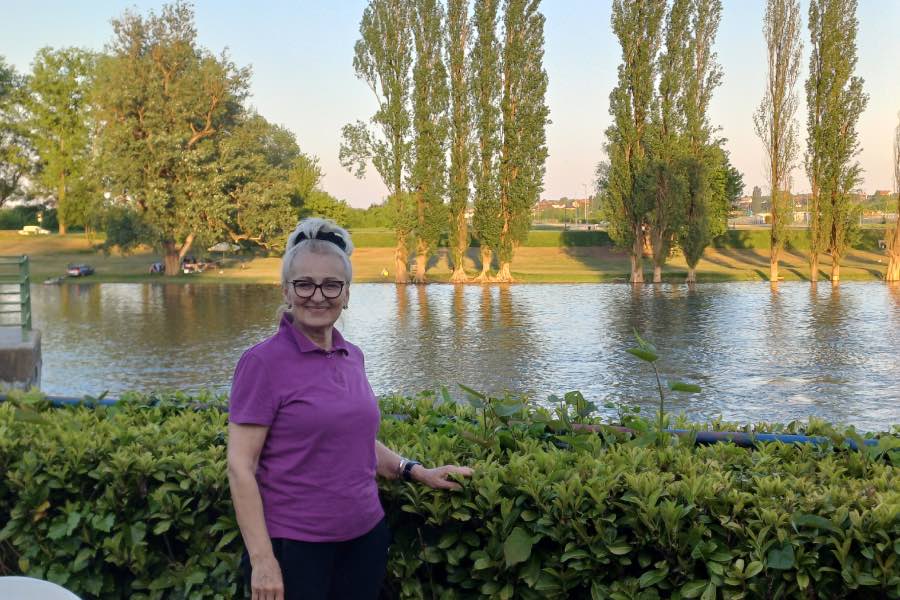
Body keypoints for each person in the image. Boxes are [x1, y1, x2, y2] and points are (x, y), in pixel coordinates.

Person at [227, 217, 473, 600]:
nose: (318, 296)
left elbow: (353, 440)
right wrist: (262, 560)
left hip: (365, 539)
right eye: (304, 284)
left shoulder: (351, 356)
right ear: (286, 290)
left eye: (331, 285)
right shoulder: (262, 363)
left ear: (346, 294)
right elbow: (241, 466)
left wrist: (415, 471)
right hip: (295, 549)